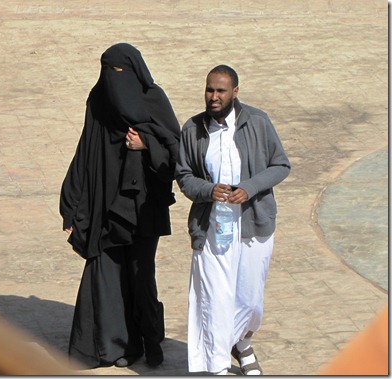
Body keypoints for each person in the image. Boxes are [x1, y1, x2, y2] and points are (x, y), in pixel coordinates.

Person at [59, 43, 180, 369]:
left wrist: (145, 144)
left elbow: (175, 151)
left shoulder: (152, 98)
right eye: (109, 71)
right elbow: (85, 152)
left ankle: (151, 342)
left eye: (121, 72)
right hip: (105, 205)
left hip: (143, 208)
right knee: (106, 275)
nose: (115, 80)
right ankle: (107, 347)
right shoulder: (99, 102)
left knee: (141, 277)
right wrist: (71, 205)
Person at [175, 65, 290, 375]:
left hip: (253, 223)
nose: (213, 96)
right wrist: (209, 190)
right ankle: (217, 364)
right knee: (216, 298)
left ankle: (241, 341)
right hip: (211, 227)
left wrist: (249, 188)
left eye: (220, 91)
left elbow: (280, 165)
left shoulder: (257, 121)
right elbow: (184, 176)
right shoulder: (193, 129)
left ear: (235, 92)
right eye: (209, 90)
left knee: (250, 300)